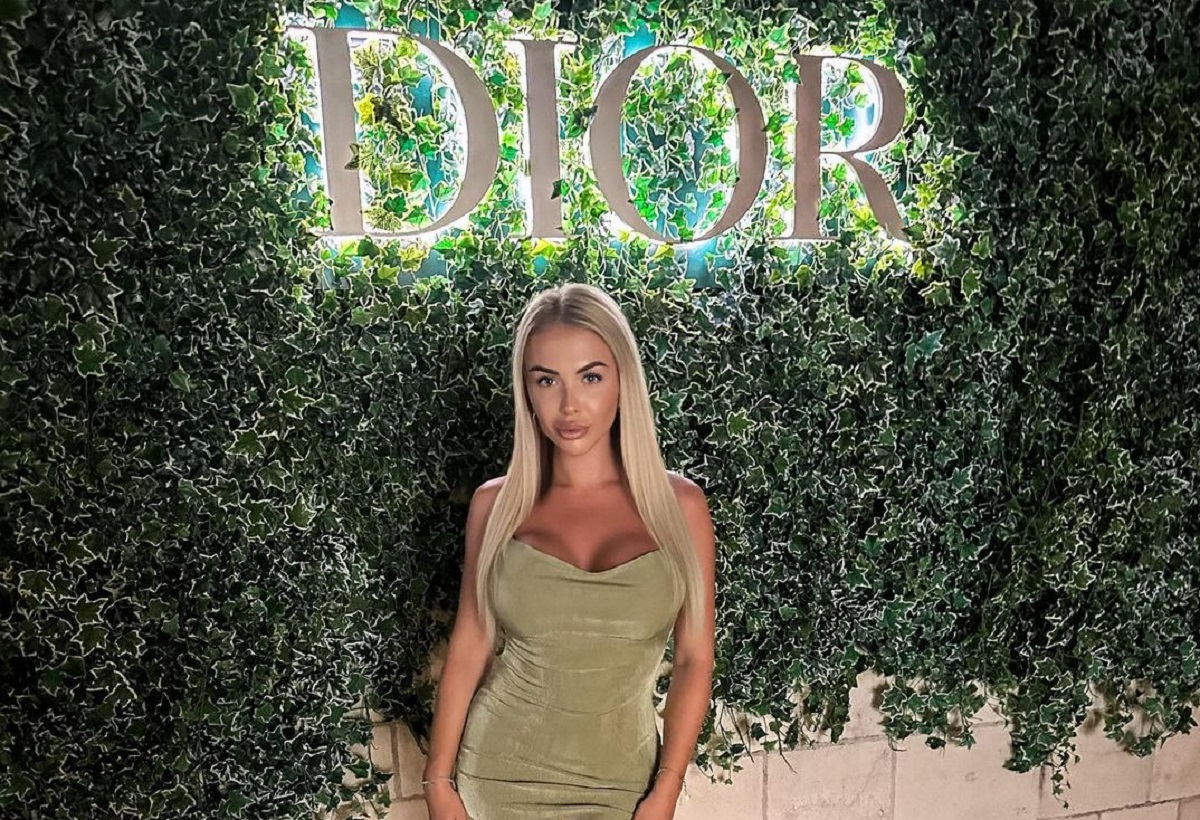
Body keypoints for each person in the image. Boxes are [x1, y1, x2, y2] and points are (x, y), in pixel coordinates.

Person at [421, 283, 717, 820]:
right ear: (527, 392)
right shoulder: (496, 506)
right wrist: (438, 781)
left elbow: (695, 659)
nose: (569, 404)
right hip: (497, 779)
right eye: (546, 380)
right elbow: (470, 645)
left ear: (623, 380)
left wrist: (668, 788)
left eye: (591, 376)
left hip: (624, 789)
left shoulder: (681, 507)